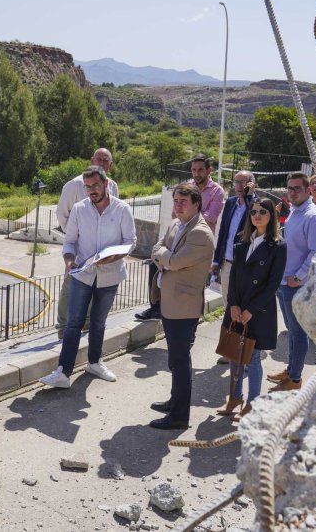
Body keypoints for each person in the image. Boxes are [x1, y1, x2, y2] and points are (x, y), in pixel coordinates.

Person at [39, 166, 136, 389]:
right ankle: (63, 372)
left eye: (96, 186)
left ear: (106, 184)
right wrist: (69, 260)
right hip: (82, 275)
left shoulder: (122, 209)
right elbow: (70, 241)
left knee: (98, 323)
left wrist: (111, 258)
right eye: (88, 187)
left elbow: (130, 242)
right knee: (73, 323)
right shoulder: (79, 209)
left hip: (110, 277)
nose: (92, 190)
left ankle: (94, 363)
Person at [147, 183, 215, 430]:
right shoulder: (177, 224)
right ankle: (175, 402)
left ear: (196, 204)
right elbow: (157, 247)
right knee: (175, 361)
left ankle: (179, 416)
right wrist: (164, 255)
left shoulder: (200, 234)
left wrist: (163, 257)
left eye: (183, 201)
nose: (177, 205)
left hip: (184, 306)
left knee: (180, 360)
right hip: (171, 302)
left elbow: (174, 261)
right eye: (175, 200)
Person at [134, 155, 224, 322]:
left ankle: (191, 324)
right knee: (159, 269)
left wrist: (187, 213)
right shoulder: (187, 186)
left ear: (209, 170)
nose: (196, 173)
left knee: (193, 286)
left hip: (196, 244)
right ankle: (157, 308)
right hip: (177, 237)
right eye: (194, 170)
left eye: (200, 170)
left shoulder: (217, 191)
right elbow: (175, 214)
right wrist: (187, 210)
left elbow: (210, 217)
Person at [220, 197, 285, 420]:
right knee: (234, 354)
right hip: (238, 306)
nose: (257, 215)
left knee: (253, 358)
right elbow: (235, 276)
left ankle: (252, 403)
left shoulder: (277, 245)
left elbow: (272, 285)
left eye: (263, 211)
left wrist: (250, 311)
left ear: (271, 216)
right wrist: (233, 305)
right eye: (254, 211)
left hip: (258, 311)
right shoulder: (242, 241)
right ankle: (234, 398)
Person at [267, 172, 316, 392]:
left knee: (299, 333)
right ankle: (291, 368)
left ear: (308, 190)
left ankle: (295, 379)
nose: (292, 192)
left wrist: (298, 277)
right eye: (289, 188)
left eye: (297, 188)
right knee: (291, 330)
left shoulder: (314, 216)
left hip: (297, 285)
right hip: (284, 282)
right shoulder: (294, 211)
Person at [54, 148, 118, 330]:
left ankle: (86, 322)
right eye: (99, 159)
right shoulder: (74, 185)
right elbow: (61, 213)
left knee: (94, 285)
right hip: (78, 248)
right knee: (71, 286)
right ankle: (63, 325)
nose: (102, 163)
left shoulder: (113, 186)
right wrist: (74, 235)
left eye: (106, 161)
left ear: (110, 166)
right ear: (91, 160)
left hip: (101, 248)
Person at [211, 171, 257, 298]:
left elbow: (252, 223)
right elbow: (223, 233)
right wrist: (216, 260)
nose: (239, 186)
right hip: (226, 264)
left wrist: (249, 197)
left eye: (243, 182)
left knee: (241, 305)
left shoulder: (259, 205)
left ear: (252, 184)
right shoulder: (231, 203)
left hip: (245, 266)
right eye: (236, 182)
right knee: (227, 305)